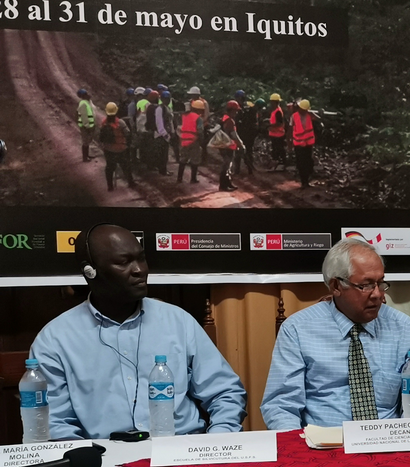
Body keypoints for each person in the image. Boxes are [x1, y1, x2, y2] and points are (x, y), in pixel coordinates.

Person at [29, 224, 247, 440]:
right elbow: (54, 422)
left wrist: (218, 440)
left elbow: (224, 392)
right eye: (124, 262)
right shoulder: (55, 339)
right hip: (105, 461)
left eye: (141, 258)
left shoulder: (177, 321)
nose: (139, 270)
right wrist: (86, 463)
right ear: (90, 271)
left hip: (180, 450)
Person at [261, 238, 410, 429]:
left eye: (380, 283)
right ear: (336, 286)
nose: (377, 294)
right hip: (325, 445)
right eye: (366, 285)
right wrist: (301, 451)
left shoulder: (403, 328)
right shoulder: (298, 329)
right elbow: (281, 406)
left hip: (390, 442)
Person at [98, 102, 134, 191]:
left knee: (109, 167)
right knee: (126, 166)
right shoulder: (120, 122)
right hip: (121, 149)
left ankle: (110, 186)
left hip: (108, 149)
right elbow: (128, 133)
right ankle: (131, 182)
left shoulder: (103, 123)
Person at [291, 99, 319, 188]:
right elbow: (290, 130)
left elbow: (318, 119)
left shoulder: (309, 115)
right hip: (298, 144)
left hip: (308, 144)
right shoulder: (294, 116)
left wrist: (314, 113)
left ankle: (307, 180)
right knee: (301, 164)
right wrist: (289, 143)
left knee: (308, 162)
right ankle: (304, 182)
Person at [218, 100, 244, 191]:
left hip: (223, 144)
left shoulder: (224, 118)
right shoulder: (230, 121)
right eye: (236, 111)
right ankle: (223, 185)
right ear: (232, 110)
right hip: (227, 146)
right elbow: (234, 135)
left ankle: (228, 183)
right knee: (227, 165)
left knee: (227, 165)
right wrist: (241, 145)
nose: (236, 113)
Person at [177, 99, 206, 183]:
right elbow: (200, 130)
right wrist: (202, 140)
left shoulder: (184, 116)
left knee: (183, 159)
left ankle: (179, 178)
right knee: (195, 160)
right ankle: (193, 179)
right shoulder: (198, 118)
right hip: (194, 141)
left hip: (183, 140)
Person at [144, 90, 171, 175]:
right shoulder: (159, 109)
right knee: (162, 154)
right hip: (160, 134)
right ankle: (162, 170)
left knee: (164, 153)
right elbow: (159, 123)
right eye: (166, 99)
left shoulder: (166, 108)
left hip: (165, 133)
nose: (168, 100)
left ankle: (162, 169)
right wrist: (165, 134)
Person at [266, 93, 287, 167]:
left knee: (278, 150)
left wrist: (270, 125)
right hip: (274, 134)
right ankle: (280, 163)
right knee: (276, 149)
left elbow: (279, 123)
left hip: (278, 134)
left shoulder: (278, 111)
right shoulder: (275, 110)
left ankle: (281, 163)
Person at [76, 88, 95, 162]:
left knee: (87, 141)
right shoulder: (83, 103)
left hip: (87, 125)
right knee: (85, 141)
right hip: (85, 126)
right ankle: (85, 157)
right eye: (86, 94)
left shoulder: (87, 102)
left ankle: (86, 155)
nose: (88, 95)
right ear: (83, 96)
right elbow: (84, 116)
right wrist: (88, 126)